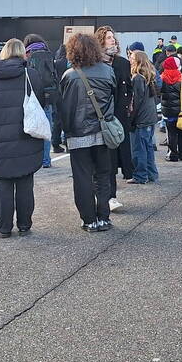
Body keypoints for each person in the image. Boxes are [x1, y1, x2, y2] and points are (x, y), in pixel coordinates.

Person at [0, 39, 46, 238]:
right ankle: (24, 224)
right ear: (23, 53)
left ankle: (4, 227)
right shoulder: (30, 75)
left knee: (4, 183)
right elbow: (40, 102)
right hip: (26, 135)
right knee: (25, 182)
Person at [58, 33, 116, 232]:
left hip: (78, 133)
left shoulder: (69, 76)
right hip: (104, 132)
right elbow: (113, 100)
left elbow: (65, 108)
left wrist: (65, 133)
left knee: (82, 178)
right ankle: (104, 217)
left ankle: (89, 219)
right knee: (103, 176)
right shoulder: (108, 71)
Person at [96, 26, 131, 213]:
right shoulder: (94, 64)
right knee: (104, 159)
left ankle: (111, 196)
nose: (113, 41)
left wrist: (128, 111)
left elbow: (129, 89)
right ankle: (107, 196)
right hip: (99, 118)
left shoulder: (122, 64)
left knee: (114, 158)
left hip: (118, 118)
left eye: (113, 38)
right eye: (109, 38)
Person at [24, 34, 59, 170]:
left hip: (32, 97)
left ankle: (32, 159)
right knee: (46, 129)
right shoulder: (49, 54)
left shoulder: (28, 54)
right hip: (48, 97)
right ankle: (46, 160)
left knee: (30, 128)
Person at [128, 50, 159, 185]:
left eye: (132, 57)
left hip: (142, 118)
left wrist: (131, 119)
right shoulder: (149, 76)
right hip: (150, 117)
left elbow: (137, 101)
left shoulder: (137, 78)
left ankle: (141, 175)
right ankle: (151, 174)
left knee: (139, 149)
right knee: (148, 148)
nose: (129, 59)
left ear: (138, 60)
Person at [159, 57, 182, 162]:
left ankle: (173, 154)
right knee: (181, 132)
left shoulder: (161, 77)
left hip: (168, 111)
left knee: (171, 132)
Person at [52, 43, 68, 153]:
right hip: (68, 92)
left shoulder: (56, 63)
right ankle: (67, 142)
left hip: (57, 93)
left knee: (57, 120)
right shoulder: (69, 63)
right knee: (68, 119)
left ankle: (55, 143)